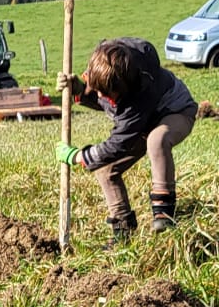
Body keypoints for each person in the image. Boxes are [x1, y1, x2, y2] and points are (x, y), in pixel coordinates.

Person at [55, 38, 200, 240]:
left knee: (156, 140)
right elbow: (105, 97)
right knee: (105, 170)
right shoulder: (108, 61)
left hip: (175, 111)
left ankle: (164, 213)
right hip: (141, 124)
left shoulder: (139, 96)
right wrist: (79, 88)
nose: (97, 94)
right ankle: (122, 230)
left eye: (103, 92)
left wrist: (80, 156)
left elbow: (118, 144)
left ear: (122, 90)